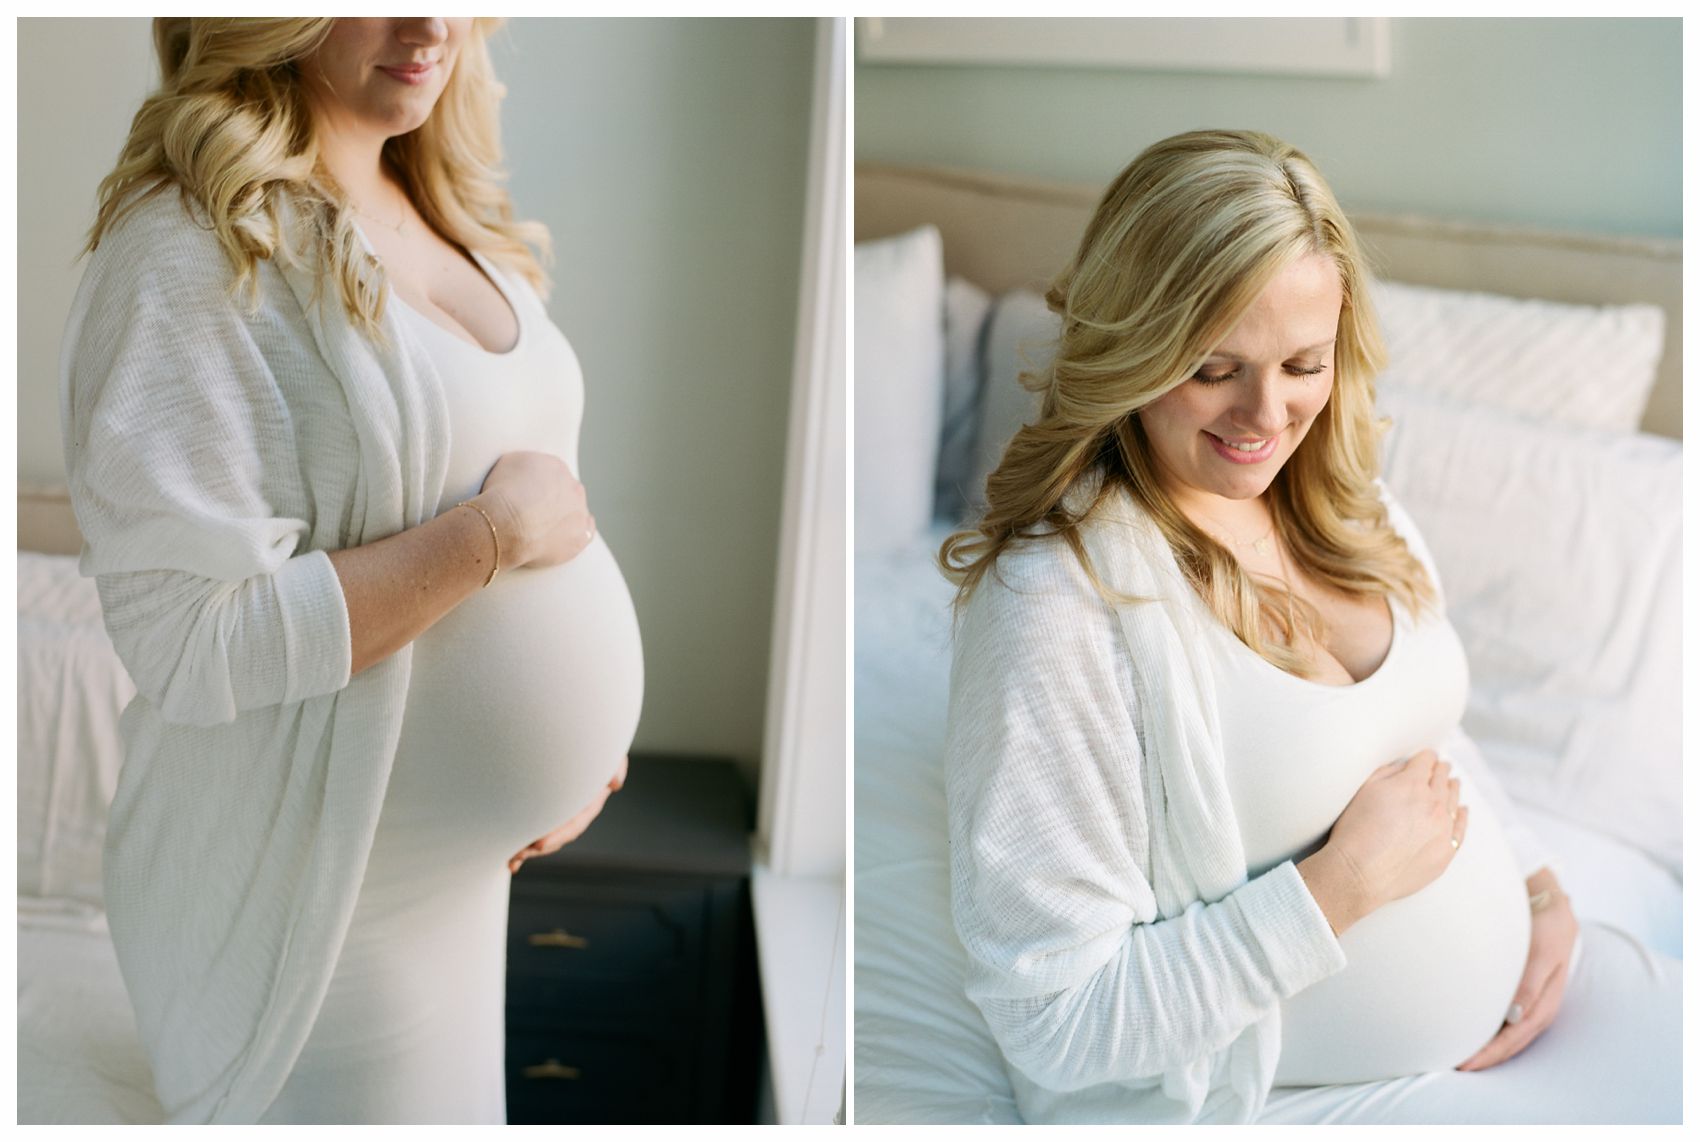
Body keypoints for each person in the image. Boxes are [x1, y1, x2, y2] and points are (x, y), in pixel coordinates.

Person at [938, 129, 1679, 1125]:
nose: (1265, 414)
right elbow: (1054, 1019)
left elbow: (1426, 738)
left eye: (1302, 363)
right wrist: (1338, 886)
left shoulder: (1346, 508)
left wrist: (1536, 885)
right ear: (1130, 349)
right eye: (1213, 368)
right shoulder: (1057, 605)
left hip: (1518, 1014)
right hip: (1279, 1092)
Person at [60, 17, 643, 1124]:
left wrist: (582, 753)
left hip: (461, 890)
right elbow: (189, 642)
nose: (430, 25)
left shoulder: (445, 210)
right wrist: (485, 540)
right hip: (325, 917)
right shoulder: (187, 246)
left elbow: (546, 505)